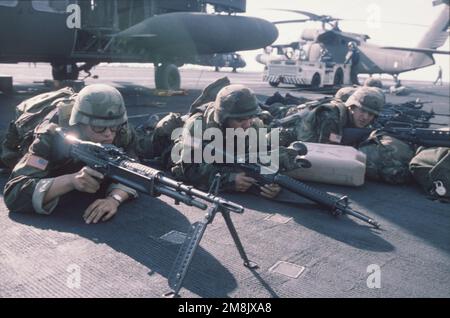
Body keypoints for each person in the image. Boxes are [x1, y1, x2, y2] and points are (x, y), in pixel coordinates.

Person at [3, 84, 138, 224]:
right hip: (23, 135)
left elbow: (134, 168)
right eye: (98, 127)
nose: (109, 134)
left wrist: (114, 199)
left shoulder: (121, 128)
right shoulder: (51, 136)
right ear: (80, 123)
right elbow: (14, 194)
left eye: (113, 126)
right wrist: (70, 181)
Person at [171, 84, 290, 199]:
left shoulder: (253, 124)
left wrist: (271, 185)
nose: (247, 124)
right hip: (172, 142)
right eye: (240, 120)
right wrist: (228, 179)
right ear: (223, 118)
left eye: (250, 117)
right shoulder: (197, 125)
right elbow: (189, 168)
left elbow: (261, 159)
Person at [278, 86, 385, 146]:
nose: (365, 117)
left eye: (371, 114)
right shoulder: (331, 116)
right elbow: (328, 145)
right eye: (362, 110)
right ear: (351, 107)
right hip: (285, 131)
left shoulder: (349, 117)